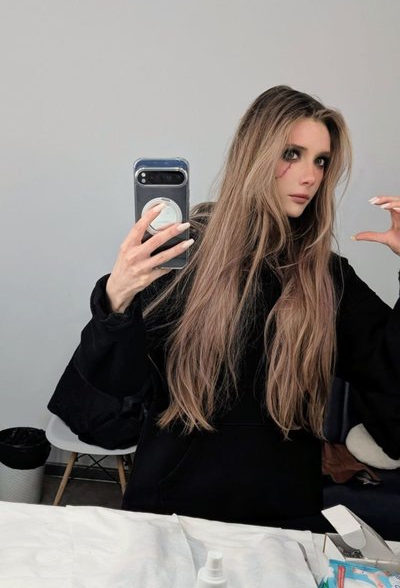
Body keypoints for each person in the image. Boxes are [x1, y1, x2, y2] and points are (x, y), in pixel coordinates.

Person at [48, 85, 400, 532]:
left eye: (321, 161)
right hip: (171, 512)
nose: (310, 176)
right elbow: (109, 402)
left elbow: (390, 377)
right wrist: (116, 300)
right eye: (291, 154)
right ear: (253, 155)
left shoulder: (327, 277)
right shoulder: (183, 257)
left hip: (283, 517)